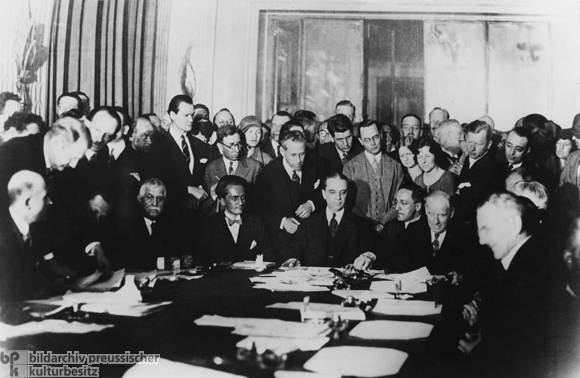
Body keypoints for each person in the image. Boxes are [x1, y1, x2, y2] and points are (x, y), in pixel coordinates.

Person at [458, 192, 553, 377]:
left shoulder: (529, 270)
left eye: (487, 229)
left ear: (514, 225)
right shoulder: (528, 258)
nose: (482, 240)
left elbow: (523, 355)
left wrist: (481, 349)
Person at [280, 173, 377, 268]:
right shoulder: (308, 223)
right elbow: (293, 250)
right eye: (332, 192)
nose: (338, 197)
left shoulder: (361, 224)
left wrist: (367, 257)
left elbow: (372, 250)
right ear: (323, 194)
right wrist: (293, 259)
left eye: (342, 192)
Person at [254, 130, 329, 250]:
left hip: (312, 238)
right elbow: (258, 207)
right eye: (293, 155)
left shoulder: (316, 165)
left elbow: (328, 191)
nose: (299, 160)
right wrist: (282, 222)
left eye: (302, 154)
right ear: (282, 151)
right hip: (281, 241)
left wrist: (312, 204)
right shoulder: (268, 174)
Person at [0, 116, 91, 207]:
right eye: (72, 158)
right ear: (58, 141)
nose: (73, 165)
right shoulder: (13, 153)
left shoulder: (63, 167)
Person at [390, 191, 473, 279]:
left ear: (451, 213)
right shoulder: (415, 228)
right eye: (431, 214)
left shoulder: (466, 234)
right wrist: (372, 256)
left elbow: (479, 268)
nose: (435, 221)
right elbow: (390, 247)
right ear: (426, 210)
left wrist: (461, 277)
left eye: (442, 215)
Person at [149, 95, 208, 218]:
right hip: (170, 216)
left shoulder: (197, 144)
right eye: (186, 115)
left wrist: (198, 192)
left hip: (194, 215)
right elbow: (157, 181)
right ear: (172, 115)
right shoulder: (158, 145)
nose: (191, 120)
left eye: (192, 115)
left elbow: (199, 175)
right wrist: (188, 190)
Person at [0, 171, 54, 303]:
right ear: (28, 202)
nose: (50, 202)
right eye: (45, 197)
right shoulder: (3, 237)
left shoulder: (26, 229)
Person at [343, 119, 404, 232]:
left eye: (375, 137)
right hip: (360, 228)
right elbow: (348, 202)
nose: (373, 143)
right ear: (361, 141)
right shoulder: (350, 167)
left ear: (381, 135)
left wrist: (383, 224)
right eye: (367, 140)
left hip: (389, 229)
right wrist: (367, 226)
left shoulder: (396, 167)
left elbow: (398, 202)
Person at [200, 175, 273, 264]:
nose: (241, 202)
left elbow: (269, 255)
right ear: (222, 201)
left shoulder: (255, 222)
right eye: (235, 198)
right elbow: (203, 258)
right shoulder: (210, 224)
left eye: (243, 197)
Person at [110, 179, 180, 270]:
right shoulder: (127, 225)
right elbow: (128, 261)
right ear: (140, 199)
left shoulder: (168, 225)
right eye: (149, 197)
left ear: (165, 201)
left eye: (159, 198)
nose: (155, 203)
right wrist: (164, 262)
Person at [204, 125, 262, 215]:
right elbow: (204, 208)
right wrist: (213, 195)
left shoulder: (254, 167)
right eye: (231, 145)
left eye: (238, 144)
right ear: (220, 147)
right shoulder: (210, 169)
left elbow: (260, 203)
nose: (237, 149)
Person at [456, 120, 502, 224]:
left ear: (489, 144)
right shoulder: (469, 158)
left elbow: (469, 203)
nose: (472, 148)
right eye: (469, 142)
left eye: (478, 144)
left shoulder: (490, 168)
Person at [113, 117, 156, 206]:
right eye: (144, 136)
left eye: (152, 136)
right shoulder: (125, 162)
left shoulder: (150, 156)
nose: (150, 141)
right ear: (131, 136)